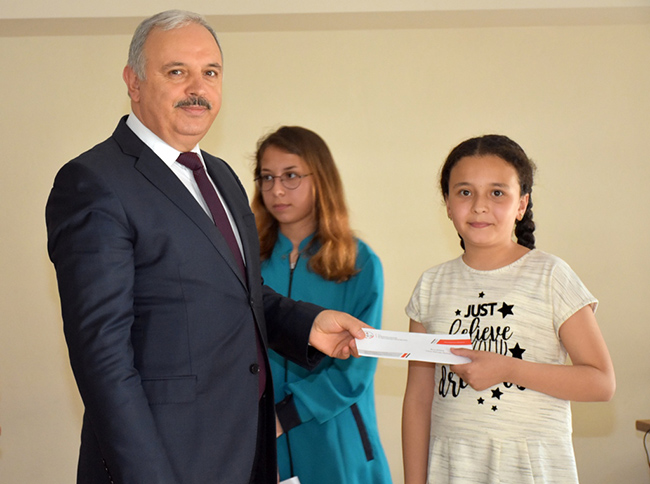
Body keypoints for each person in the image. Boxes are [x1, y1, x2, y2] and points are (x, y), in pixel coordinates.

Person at [45, 11, 369, 484]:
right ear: (133, 82)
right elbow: (102, 359)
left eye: (211, 72)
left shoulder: (220, 175)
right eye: (177, 71)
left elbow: (242, 293)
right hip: (166, 461)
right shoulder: (94, 182)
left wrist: (307, 325)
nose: (198, 88)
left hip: (246, 450)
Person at [401, 134, 615, 483]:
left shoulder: (551, 275)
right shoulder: (431, 286)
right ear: (447, 203)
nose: (479, 206)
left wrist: (508, 369)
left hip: (531, 469)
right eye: (465, 192)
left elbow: (601, 382)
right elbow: (418, 399)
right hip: (453, 470)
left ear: (521, 204)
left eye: (497, 193)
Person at [251, 126, 393, 484]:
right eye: (267, 177)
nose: (276, 189)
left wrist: (285, 415)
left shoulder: (358, 262)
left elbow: (357, 367)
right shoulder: (244, 261)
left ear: (322, 179)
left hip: (335, 441)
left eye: (291, 176)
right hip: (259, 439)